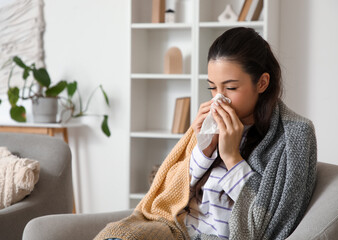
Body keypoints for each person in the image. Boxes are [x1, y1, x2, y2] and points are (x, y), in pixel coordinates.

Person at [95, 27, 317, 240]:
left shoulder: (293, 137)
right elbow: (172, 194)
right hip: (177, 231)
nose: (219, 98)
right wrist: (204, 149)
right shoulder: (209, 125)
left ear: (262, 83)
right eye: (212, 87)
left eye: (230, 88)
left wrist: (232, 157)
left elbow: (267, 223)